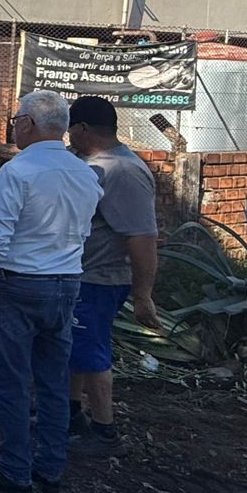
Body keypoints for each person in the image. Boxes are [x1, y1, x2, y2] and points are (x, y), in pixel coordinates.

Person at [0, 90, 101, 493]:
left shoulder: (18, 171)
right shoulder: (84, 173)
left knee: (10, 380)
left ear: (28, 124)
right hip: (66, 284)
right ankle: (50, 469)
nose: (13, 126)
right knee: (54, 381)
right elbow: (85, 230)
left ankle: (14, 470)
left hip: (20, 283)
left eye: (16, 119)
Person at [66, 95, 161, 454]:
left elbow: (142, 236)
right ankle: (71, 415)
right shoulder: (87, 161)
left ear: (85, 129)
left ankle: (104, 432)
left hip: (100, 279)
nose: (68, 136)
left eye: (71, 128)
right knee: (75, 347)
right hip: (78, 274)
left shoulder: (123, 171)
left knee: (91, 350)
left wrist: (143, 294)